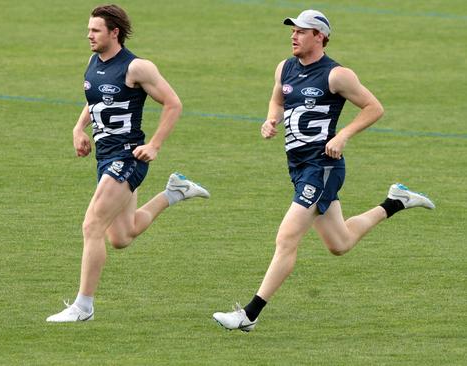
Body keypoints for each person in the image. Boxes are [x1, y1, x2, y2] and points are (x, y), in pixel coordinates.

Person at [213, 9, 435, 332]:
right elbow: (277, 100)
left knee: (287, 237)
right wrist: (270, 119)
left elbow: (375, 108)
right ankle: (396, 201)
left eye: (302, 31)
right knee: (339, 243)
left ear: (319, 37)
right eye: (293, 30)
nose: (293, 36)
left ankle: (248, 314)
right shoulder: (285, 68)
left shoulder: (336, 75)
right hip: (299, 168)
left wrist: (343, 135)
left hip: (323, 167)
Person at [47, 4, 209, 323]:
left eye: (95, 30)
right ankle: (174, 192)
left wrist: (154, 145)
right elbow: (93, 100)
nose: (88, 35)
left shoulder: (137, 68)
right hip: (105, 157)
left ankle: (83, 306)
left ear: (114, 33)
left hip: (127, 156)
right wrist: (79, 128)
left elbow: (174, 104)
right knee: (122, 236)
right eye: (89, 29)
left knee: (92, 224)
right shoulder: (94, 62)